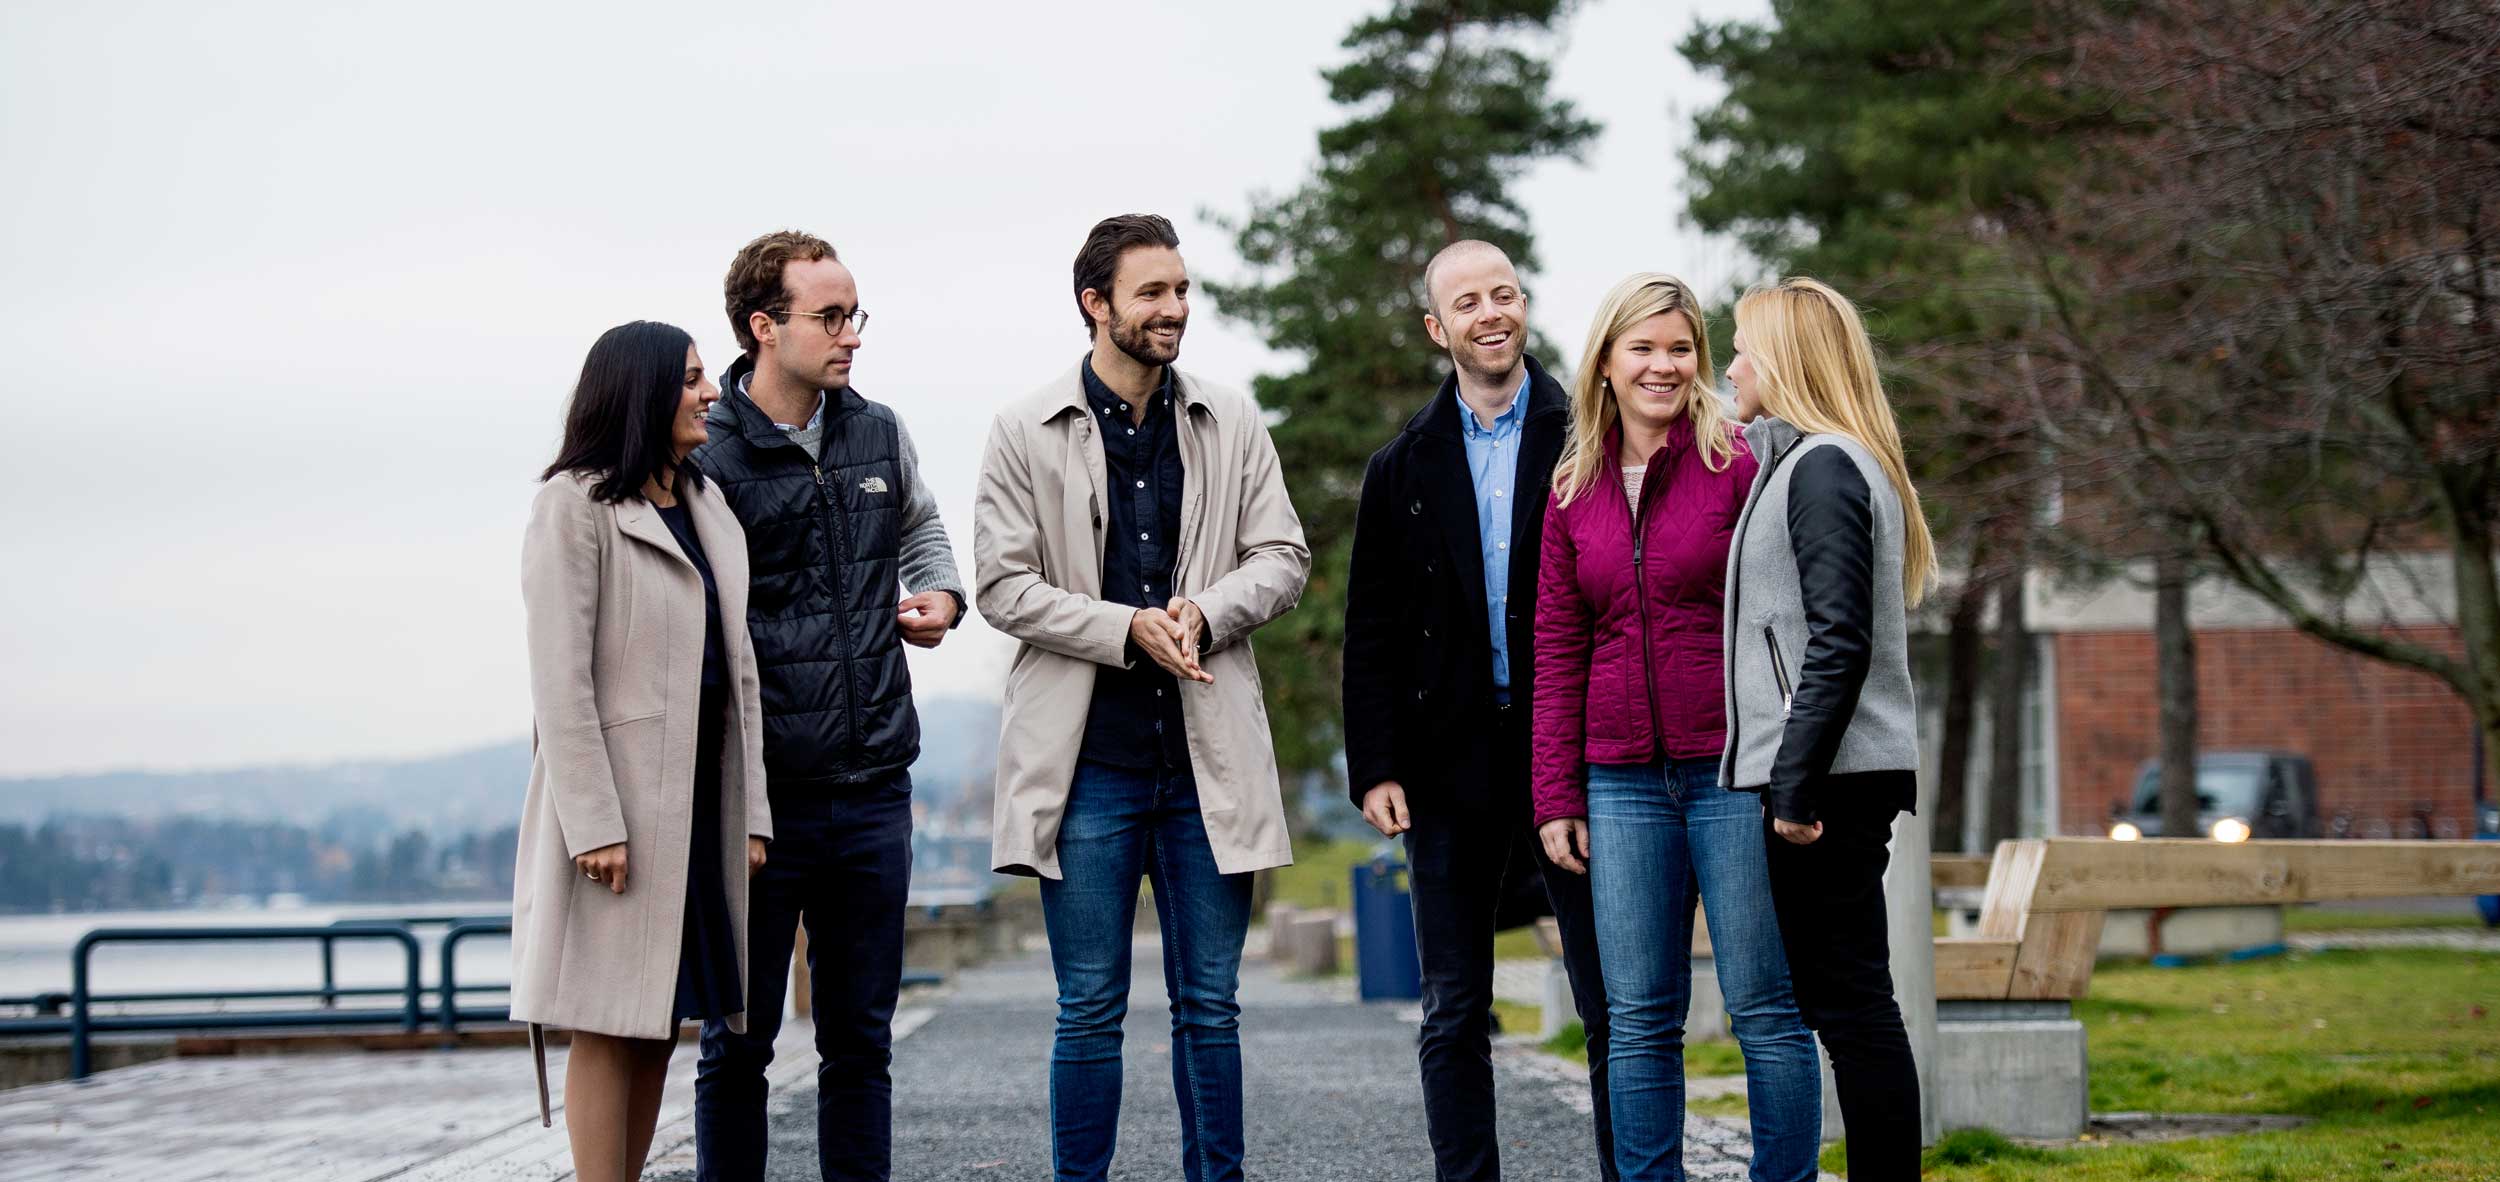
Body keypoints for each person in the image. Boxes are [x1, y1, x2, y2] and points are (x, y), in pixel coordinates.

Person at [974, 213, 1310, 1182]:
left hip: (1210, 766)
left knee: (1212, 1004)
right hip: (1085, 771)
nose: (1174, 310)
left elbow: (1282, 557)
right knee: (1087, 1006)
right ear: (1095, 304)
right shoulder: (1019, 429)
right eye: (1152, 293)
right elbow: (1000, 586)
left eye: (1180, 290)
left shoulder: (1230, 417)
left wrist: (1202, 612)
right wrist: (1124, 627)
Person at [689, 231, 968, 1182]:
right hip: (757, 801)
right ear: (765, 327)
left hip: (875, 783)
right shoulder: (708, 455)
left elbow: (922, 528)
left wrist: (943, 594)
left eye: (856, 314)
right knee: (739, 1045)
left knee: (861, 1044)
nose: (852, 335)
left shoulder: (879, 429)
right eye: (831, 316)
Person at [1532, 274, 1822, 1181]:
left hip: (1732, 771)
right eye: (1643, 348)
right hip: (1618, 783)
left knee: (1766, 1008)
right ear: (1607, 365)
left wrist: (1790, 762)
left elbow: (1793, 617)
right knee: (1636, 1019)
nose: (1664, 365)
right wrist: (1556, 794)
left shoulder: (1738, 463)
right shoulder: (1573, 487)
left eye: (1681, 348)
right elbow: (1556, 646)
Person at [1341, 239, 1619, 1182]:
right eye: (1468, 303)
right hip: (1444, 761)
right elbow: (1369, 627)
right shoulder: (1400, 469)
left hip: (1572, 753)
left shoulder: (1591, 432)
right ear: (1437, 328)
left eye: (1504, 294)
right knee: (1455, 1005)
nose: (1490, 313)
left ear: (1524, 305)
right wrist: (1374, 764)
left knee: (1609, 999)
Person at [512, 321, 770, 1182]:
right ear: (642, 393)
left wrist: (753, 816)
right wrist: (592, 822)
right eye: (692, 380)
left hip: (700, 802)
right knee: (607, 1016)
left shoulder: (707, 505)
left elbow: (740, 677)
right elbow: (560, 681)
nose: (708, 394)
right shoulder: (574, 505)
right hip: (619, 809)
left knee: (662, 1017)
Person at [1721, 277, 1937, 1182]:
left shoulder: (1823, 468)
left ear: (1784, 360)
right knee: (1848, 1000)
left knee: (1852, 1005)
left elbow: (1839, 639)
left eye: (1740, 345)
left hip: (1831, 782)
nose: (1730, 365)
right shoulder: (1815, 462)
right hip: (1835, 773)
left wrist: (1796, 786)